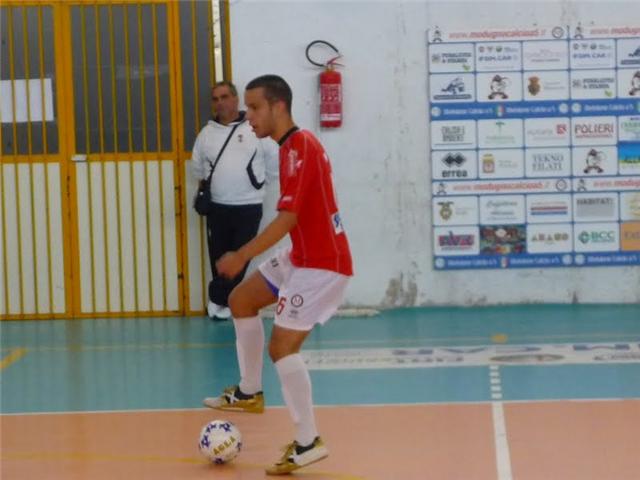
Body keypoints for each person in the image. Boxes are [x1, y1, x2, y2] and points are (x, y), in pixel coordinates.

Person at [203, 74, 353, 475]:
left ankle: (308, 442)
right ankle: (249, 391)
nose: (246, 114)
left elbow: (287, 218)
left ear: (278, 107)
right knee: (241, 300)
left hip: (322, 264)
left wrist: (241, 256)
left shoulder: (302, 146)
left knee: (282, 348)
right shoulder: (286, 149)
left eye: (253, 107)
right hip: (301, 255)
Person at [191, 81, 278, 321]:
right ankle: (222, 303)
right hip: (217, 208)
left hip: (248, 207)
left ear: (235, 99)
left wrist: (258, 185)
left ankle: (220, 300)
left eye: (224, 97)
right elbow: (198, 168)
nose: (220, 102)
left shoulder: (254, 128)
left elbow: (273, 161)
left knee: (240, 258)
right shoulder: (206, 134)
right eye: (215, 98)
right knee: (219, 259)